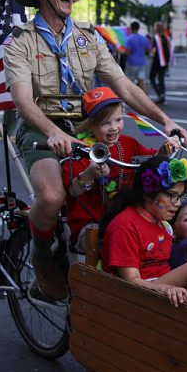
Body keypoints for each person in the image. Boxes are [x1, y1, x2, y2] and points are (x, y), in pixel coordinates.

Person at [4, 0, 187, 300]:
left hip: (85, 125)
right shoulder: (22, 42)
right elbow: (24, 102)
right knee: (52, 195)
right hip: (40, 129)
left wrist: (165, 121)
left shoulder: (89, 37)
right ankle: (42, 257)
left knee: (129, 182)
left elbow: (124, 86)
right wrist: (53, 132)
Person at [62, 87, 170, 252]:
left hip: (126, 219)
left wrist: (165, 150)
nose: (114, 127)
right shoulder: (79, 150)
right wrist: (90, 174)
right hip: (90, 225)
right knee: (124, 240)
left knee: (168, 229)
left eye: (118, 120)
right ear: (91, 125)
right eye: (106, 123)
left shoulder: (128, 143)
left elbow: (152, 162)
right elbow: (73, 190)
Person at [99, 156, 187, 308]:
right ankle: (185, 323)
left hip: (161, 284)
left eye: (180, 196)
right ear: (147, 193)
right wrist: (165, 288)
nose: (178, 203)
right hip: (137, 295)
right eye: (172, 195)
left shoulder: (162, 223)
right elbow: (131, 281)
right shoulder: (125, 226)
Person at [124, 22, 151, 93]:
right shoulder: (144, 39)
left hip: (132, 62)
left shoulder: (129, 39)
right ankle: (145, 98)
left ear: (131, 28)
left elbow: (127, 52)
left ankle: (132, 98)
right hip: (142, 62)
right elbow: (148, 50)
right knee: (141, 81)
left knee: (130, 81)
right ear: (138, 28)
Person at [149, 22, 171, 104]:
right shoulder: (167, 38)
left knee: (151, 77)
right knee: (161, 79)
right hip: (165, 61)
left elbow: (154, 50)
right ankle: (162, 95)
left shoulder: (156, 38)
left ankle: (160, 94)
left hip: (157, 60)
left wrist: (151, 53)